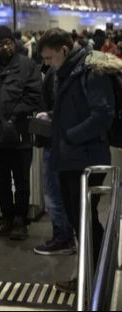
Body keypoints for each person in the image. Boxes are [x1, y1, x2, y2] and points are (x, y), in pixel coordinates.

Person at [39, 28, 115, 293]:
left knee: (85, 221)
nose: (47, 64)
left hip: (86, 159)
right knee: (79, 220)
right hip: (71, 158)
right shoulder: (67, 72)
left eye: (50, 58)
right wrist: (52, 117)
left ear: (64, 50)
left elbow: (103, 114)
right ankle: (90, 275)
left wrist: (70, 136)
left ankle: (93, 277)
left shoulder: (90, 71)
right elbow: (76, 109)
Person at [0, 25, 42, 241]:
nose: (6, 47)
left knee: (21, 179)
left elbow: (34, 96)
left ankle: (21, 221)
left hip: (19, 134)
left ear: (14, 43)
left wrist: (14, 118)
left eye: (9, 43)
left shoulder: (27, 66)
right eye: (1, 44)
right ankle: (7, 217)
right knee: (0, 179)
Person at [33, 66, 76, 257]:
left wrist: (48, 116)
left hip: (59, 142)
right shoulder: (61, 72)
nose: (45, 61)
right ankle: (64, 236)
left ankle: (63, 238)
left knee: (55, 192)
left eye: (48, 56)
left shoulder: (63, 74)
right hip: (63, 142)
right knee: (59, 192)